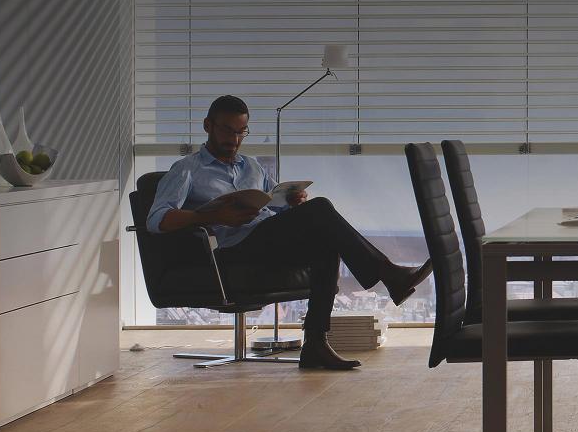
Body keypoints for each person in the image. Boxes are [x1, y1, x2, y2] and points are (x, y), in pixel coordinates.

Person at [146, 95, 432, 370]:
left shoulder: (252, 166)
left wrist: (291, 201)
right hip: (231, 250)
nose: (234, 139)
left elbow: (272, 201)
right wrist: (212, 216)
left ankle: (315, 344)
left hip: (266, 240)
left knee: (325, 242)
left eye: (241, 132)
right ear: (208, 125)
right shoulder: (187, 170)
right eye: (227, 130)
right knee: (321, 208)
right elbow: (156, 219)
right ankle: (389, 274)